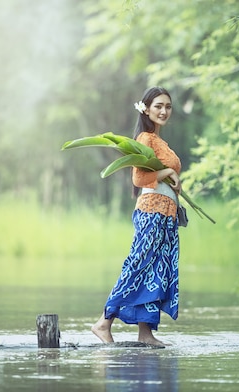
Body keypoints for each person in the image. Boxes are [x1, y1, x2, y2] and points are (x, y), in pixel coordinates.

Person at [92, 86, 182, 347]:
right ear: (146, 108)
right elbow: (139, 177)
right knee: (138, 264)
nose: (164, 111)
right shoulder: (145, 138)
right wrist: (167, 174)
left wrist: (175, 184)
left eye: (168, 106)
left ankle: (146, 333)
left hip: (167, 214)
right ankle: (103, 322)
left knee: (157, 270)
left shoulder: (160, 140)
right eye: (158, 106)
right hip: (152, 211)